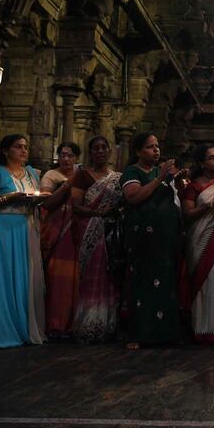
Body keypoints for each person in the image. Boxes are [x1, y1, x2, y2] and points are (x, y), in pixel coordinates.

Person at [0, 134, 48, 348]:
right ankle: (0, 329)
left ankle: (23, 326)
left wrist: (39, 198)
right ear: (6, 150)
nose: (24, 150)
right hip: (4, 227)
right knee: (2, 276)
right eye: (18, 147)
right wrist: (9, 197)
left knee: (25, 277)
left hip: (26, 227)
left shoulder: (32, 172)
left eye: (26, 146)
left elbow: (35, 196)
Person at [121, 133, 182, 349]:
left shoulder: (161, 172)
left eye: (157, 146)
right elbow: (134, 196)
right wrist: (159, 178)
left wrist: (176, 181)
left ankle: (165, 333)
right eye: (149, 147)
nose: (156, 150)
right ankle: (139, 334)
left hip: (164, 238)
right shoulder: (133, 172)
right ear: (138, 151)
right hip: (142, 238)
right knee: (143, 282)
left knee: (165, 282)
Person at [70, 136, 122, 343]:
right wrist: (99, 215)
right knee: (91, 275)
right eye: (95, 148)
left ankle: (108, 323)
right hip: (89, 230)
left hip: (111, 231)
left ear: (110, 151)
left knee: (110, 276)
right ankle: (88, 323)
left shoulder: (118, 177)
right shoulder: (82, 176)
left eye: (103, 147)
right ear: (90, 152)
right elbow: (76, 206)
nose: (100, 151)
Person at [182, 143, 214, 344]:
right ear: (202, 163)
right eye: (212, 157)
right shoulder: (193, 186)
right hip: (200, 239)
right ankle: (201, 328)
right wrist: (209, 206)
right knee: (205, 280)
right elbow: (187, 214)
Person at [40, 142, 81, 337]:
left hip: (78, 230)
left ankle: (75, 321)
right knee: (58, 278)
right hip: (57, 229)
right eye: (62, 155)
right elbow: (47, 203)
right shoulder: (51, 176)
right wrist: (66, 185)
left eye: (70, 155)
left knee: (77, 276)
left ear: (77, 158)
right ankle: (56, 322)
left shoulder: (83, 176)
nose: (65, 159)